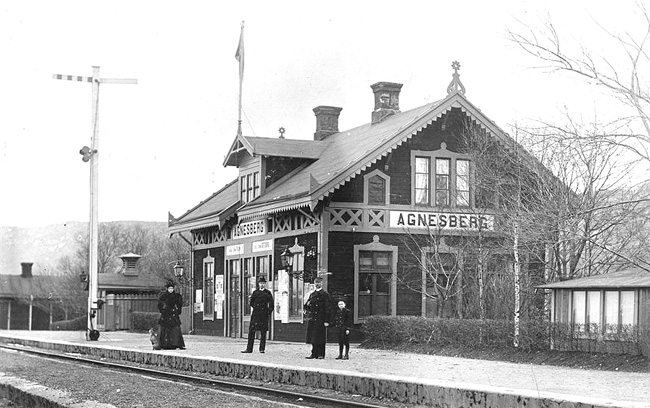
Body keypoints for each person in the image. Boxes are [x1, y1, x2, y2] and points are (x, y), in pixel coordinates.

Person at [242, 277, 274, 353]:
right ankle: (249, 349)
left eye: (263, 283)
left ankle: (262, 349)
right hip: (256, 315)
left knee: (263, 332)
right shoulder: (255, 292)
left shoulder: (268, 293)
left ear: (265, 284)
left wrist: (268, 312)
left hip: (263, 315)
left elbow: (271, 304)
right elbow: (251, 303)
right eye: (260, 283)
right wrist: (257, 308)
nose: (262, 285)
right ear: (258, 284)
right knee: (251, 331)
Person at [304, 277, 331, 359]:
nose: (317, 284)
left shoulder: (325, 295)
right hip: (313, 318)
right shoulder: (312, 294)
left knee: (320, 337)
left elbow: (328, 308)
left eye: (319, 282)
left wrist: (326, 320)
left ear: (322, 283)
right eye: (316, 282)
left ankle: (321, 354)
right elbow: (307, 306)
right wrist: (306, 307)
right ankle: (314, 353)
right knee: (313, 337)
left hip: (321, 318)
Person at [157, 279, 186, 350]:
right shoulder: (163, 296)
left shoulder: (176, 296)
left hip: (173, 314)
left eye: (172, 288)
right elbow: (159, 304)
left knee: (175, 329)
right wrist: (162, 310)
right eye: (169, 288)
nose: (171, 290)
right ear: (167, 289)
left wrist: (178, 310)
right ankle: (165, 344)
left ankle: (176, 343)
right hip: (166, 314)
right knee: (165, 329)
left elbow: (179, 304)